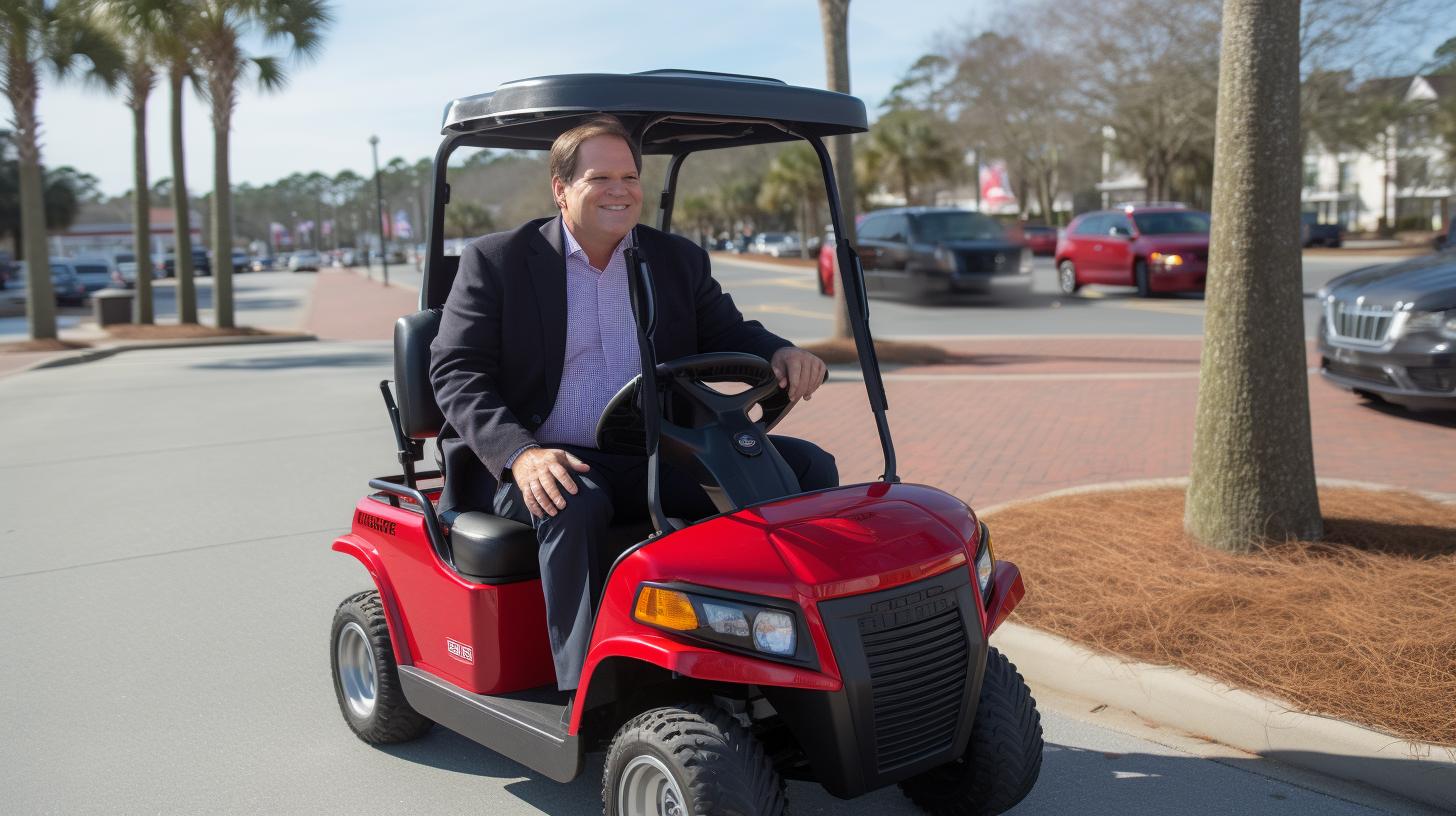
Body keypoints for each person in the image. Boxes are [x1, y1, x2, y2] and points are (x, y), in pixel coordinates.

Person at [430, 115, 836, 691]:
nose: (619, 190)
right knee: (573, 501)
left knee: (803, 466)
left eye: (629, 176)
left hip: (650, 448)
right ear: (560, 188)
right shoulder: (499, 261)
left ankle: (776, 652)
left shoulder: (673, 260)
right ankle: (589, 690)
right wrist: (521, 455)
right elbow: (456, 372)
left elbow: (727, 328)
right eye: (600, 177)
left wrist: (782, 352)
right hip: (542, 457)